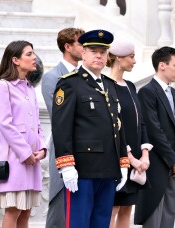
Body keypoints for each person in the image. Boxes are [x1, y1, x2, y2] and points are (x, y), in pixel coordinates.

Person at [51, 29, 130, 228]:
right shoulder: (70, 84)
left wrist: (122, 162)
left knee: (101, 223)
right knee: (79, 223)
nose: (98, 56)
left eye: (102, 52)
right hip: (82, 169)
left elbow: (117, 127)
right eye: (93, 51)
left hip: (108, 168)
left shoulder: (110, 85)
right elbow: (61, 128)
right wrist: (66, 165)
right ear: (83, 53)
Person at [0, 40, 47, 228]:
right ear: (15, 60)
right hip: (15, 159)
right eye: (29, 54)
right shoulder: (3, 86)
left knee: (25, 214)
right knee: (13, 211)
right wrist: (25, 153)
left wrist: (42, 149)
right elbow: (4, 124)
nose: (34, 58)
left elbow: (37, 124)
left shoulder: (30, 88)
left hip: (33, 160)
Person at [134, 46, 175, 228]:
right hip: (156, 165)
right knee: (153, 218)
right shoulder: (147, 92)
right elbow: (154, 131)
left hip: (174, 167)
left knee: (168, 216)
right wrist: (173, 160)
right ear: (162, 65)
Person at [41, 27, 84, 228]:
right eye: (80, 43)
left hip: (88, 152)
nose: (85, 48)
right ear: (67, 46)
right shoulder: (52, 77)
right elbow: (60, 118)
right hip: (65, 149)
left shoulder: (86, 75)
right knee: (60, 210)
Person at [106, 39, 152, 228]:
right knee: (113, 209)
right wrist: (130, 157)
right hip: (118, 159)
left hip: (137, 161)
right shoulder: (106, 86)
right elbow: (113, 126)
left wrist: (145, 155)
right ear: (119, 58)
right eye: (131, 57)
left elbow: (140, 122)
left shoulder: (131, 86)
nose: (134, 61)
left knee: (127, 209)